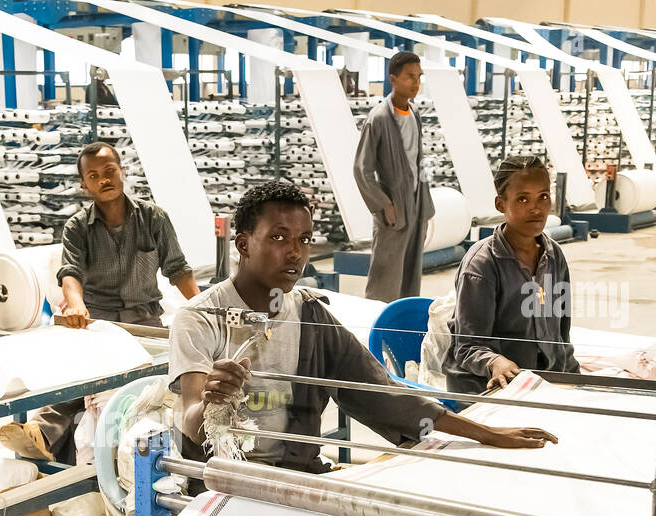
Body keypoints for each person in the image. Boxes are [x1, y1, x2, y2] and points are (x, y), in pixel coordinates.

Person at [170, 181, 558, 472]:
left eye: (304, 239)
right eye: (278, 237)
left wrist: (488, 435)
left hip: (294, 476)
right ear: (242, 244)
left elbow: (385, 392)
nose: (295, 252)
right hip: (219, 480)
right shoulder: (200, 318)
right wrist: (211, 403)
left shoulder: (310, 316)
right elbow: (191, 424)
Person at [0, 141, 200, 463]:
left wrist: (203, 309)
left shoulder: (154, 219)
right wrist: (75, 303)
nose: (104, 179)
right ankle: (40, 434)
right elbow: (70, 273)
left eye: (109, 171)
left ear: (122, 171)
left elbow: (178, 270)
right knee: (76, 375)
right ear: (84, 184)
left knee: (156, 383)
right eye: (94, 175)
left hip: (144, 322)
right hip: (98, 322)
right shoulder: (77, 228)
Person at [443, 155, 580, 394]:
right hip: (487, 386)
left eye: (543, 196)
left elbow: (560, 334)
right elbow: (467, 347)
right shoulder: (482, 265)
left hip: (538, 380)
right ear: (500, 204)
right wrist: (496, 362)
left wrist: (577, 384)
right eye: (522, 199)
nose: (536, 208)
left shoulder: (554, 256)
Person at [353, 51, 433, 302]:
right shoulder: (378, 119)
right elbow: (361, 168)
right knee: (386, 272)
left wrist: (425, 207)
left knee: (411, 269)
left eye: (419, 77)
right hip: (393, 206)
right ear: (393, 79)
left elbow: (417, 162)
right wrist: (383, 203)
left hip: (416, 202)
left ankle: (404, 320)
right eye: (410, 77)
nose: (416, 83)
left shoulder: (415, 114)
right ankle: (376, 321)